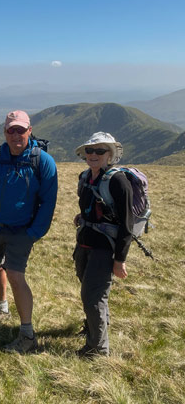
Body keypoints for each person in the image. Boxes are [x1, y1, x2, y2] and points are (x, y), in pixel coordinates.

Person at [0, 110, 58, 354]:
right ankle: (1, 308)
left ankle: (27, 334)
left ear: (30, 131)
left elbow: (48, 202)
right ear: (5, 132)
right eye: (11, 130)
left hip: (22, 231)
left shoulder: (42, 162)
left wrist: (34, 233)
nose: (16, 134)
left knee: (16, 276)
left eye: (21, 130)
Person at [73, 132, 133, 358]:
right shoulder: (85, 177)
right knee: (89, 291)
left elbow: (127, 224)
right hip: (84, 243)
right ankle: (95, 328)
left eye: (100, 151)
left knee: (93, 296)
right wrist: (82, 217)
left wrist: (120, 259)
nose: (93, 154)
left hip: (104, 249)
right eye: (90, 150)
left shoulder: (117, 181)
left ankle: (98, 350)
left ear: (110, 155)